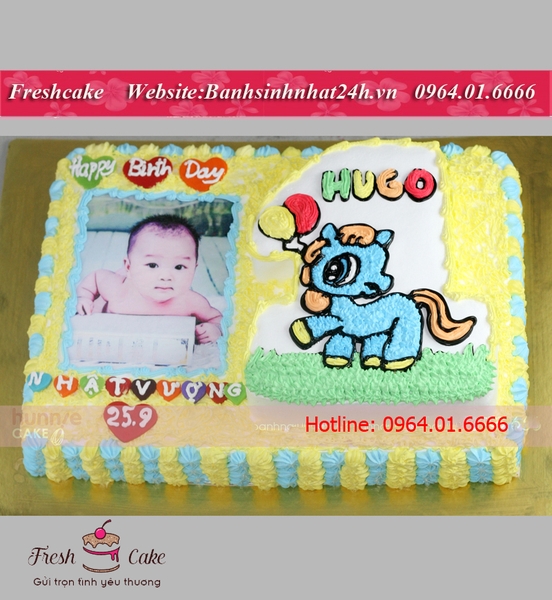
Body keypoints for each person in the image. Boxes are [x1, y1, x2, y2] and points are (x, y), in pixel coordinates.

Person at [76, 215, 222, 344]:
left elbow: (216, 318)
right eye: (152, 265)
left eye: (179, 267)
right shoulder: (118, 288)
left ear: (194, 269)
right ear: (128, 266)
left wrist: (215, 328)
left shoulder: (191, 302)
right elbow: (96, 278)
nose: (166, 277)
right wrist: (85, 298)